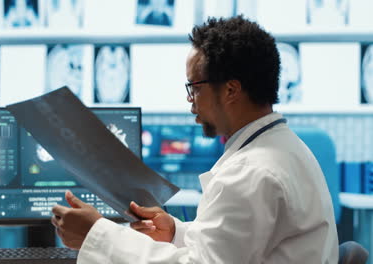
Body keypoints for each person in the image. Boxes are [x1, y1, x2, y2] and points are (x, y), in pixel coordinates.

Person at [51, 16, 339, 263]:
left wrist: (98, 234)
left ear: (231, 90)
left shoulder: (250, 173)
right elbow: (235, 245)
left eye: (195, 87)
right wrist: (176, 232)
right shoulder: (284, 147)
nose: (190, 101)